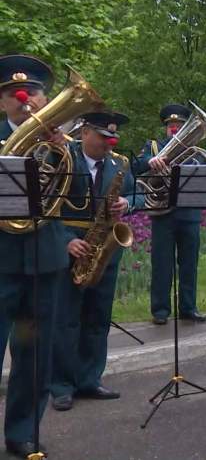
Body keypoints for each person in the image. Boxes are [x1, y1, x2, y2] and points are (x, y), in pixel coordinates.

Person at [0, 53, 71, 457]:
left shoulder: (62, 145)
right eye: (12, 93)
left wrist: (66, 152)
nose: (23, 98)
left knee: (34, 353)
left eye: (32, 92)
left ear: (45, 99)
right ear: (2, 102)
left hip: (44, 258)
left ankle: (23, 431)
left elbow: (78, 196)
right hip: (2, 258)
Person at [51, 111, 143, 411]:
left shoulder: (119, 164)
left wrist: (127, 203)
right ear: (85, 132)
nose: (109, 143)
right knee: (65, 321)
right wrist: (66, 240)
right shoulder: (62, 157)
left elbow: (137, 194)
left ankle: (90, 379)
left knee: (97, 319)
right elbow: (43, 205)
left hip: (105, 248)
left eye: (112, 138)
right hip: (72, 245)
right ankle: (61, 385)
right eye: (103, 137)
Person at [133, 104, 206, 324]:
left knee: (189, 263)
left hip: (189, 213)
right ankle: (160, 310)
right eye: (171, 125)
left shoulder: (195, 150)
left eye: (179, 125)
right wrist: (149, 162)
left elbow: (204, 174)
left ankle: (188, 307)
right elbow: (134, 167)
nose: (174, 129)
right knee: (162, 263)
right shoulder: (154, 147)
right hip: (162, 213)